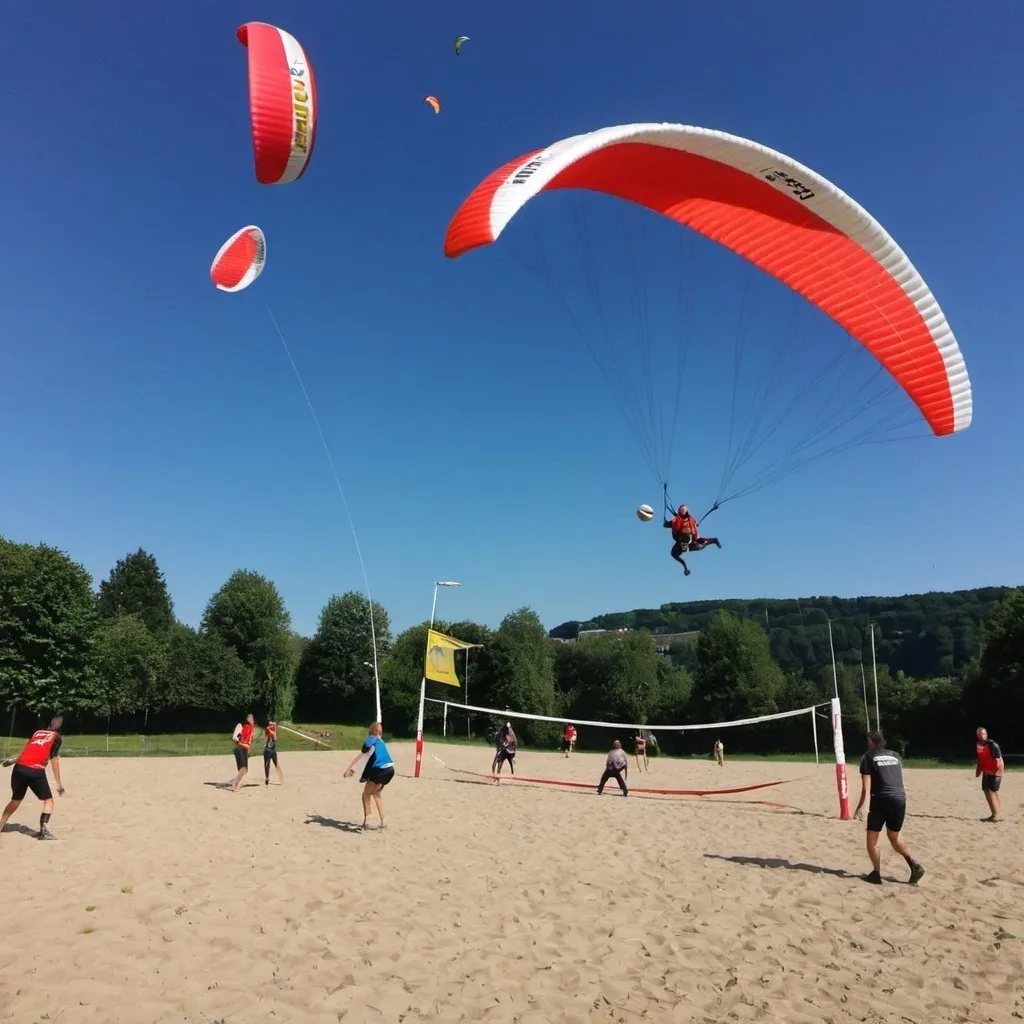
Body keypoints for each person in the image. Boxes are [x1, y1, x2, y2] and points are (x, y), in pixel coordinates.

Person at [853, 729, 924, 886]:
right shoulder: (895, 755)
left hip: (881, 799)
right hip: (900, 798)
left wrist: (860, 807)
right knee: (895, 837)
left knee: (872, 839)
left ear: (870, 741)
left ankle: (876, 873)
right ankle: (914, 864)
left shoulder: (867, 757)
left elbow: (866, 788)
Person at [0, 716, 65, 840]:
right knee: (48, 801)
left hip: (19, 768)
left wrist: (14, 760)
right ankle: (44, 831)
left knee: (16, 799)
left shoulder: (37, 733)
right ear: (59, 727)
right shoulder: (56, 737)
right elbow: (54, 759)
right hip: (35, 770)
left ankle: (1, 824)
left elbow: (29, 750)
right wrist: (59, 783)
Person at [343, 722, 394, 830]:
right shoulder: (381, 742)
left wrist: (350, 769)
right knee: (377, 794)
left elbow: (363, 751)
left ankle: (368, 819)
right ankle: (384, 820)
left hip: (380, 770)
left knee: (366, 794)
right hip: (390, 770)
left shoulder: (372, 739)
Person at [663, 503, 721, 576]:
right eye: (681, 510)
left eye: (683, 510)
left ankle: (714, 540)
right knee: (673, 553)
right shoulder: (677, 520)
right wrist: (685, 568)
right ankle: (686, 568)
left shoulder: (689, 520)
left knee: (701, 545)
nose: (682, 511)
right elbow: (667, 524)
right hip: (683, 542)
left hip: (691, 541)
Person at [975, 726, 1004, 822]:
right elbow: (980, 759)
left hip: (996, 770)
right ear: (977, 735)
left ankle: (998, 815)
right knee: (986, 790)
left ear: (986, 735)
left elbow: (998, 760)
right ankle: (993, 814)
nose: (982, 735)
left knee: (992, 791)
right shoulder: (978, 745)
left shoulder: (992, 745)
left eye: (983, 733)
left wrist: (995, 773)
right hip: (986, 771)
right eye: (980, 734)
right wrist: (978, 772)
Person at [231, 713, 255, 793]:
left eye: (252, 718)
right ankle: (235, 784)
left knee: (245, 770)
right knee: (242, 768)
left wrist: (248, 751)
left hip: (244, 749)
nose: (251, 719)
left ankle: (235, 781)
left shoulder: (251, 728)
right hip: (239, 748)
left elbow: (249, 742)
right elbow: (234, 737)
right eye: (249, 718)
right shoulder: (240, 725)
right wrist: (242, 744)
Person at [263, 720, 283, 786]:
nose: (271, 725)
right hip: (267, 751)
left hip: (273, 752)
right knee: (266, 765)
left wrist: (269, 727)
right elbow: (266, 732)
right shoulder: (268, 731)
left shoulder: (274, 733)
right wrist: (268, 728)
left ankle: (281, 779)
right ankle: (267, 778)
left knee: (276, 764)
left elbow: (270, 732)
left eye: (273, 725)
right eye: (270, 724)